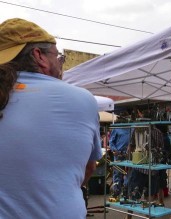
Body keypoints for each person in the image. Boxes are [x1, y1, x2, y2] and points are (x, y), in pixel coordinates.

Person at [0, 18, 101, 218]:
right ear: (39, 56)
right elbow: (88, 168)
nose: (60, 63)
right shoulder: (82, 99)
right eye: (59, 57)